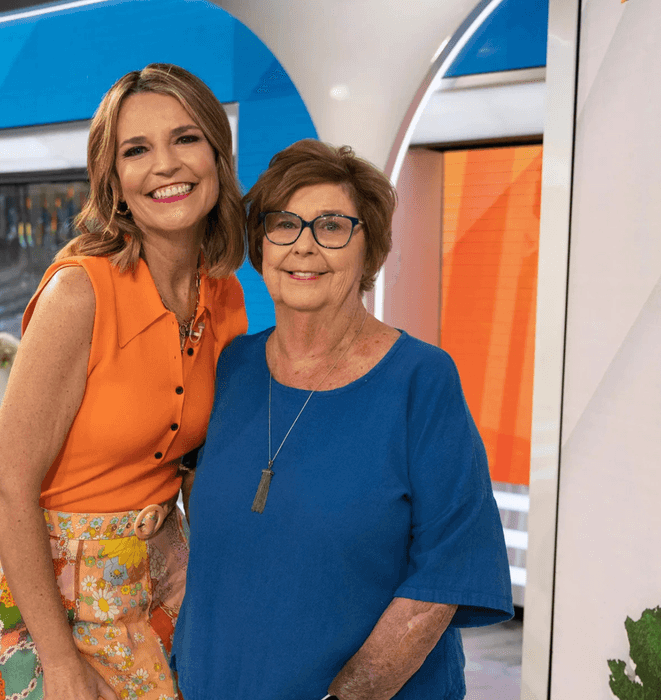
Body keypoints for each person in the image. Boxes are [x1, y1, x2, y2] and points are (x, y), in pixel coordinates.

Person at [171, 139, 513, 700]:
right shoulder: (230, 366)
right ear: (261, 245)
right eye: (284, 224)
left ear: (368, 249)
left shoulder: (421, 380)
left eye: (331, 226)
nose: (303, 246)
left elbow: (444, 575)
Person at [0, 63, 248, 700]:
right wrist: (60, 665)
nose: (166, 165)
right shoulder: (79, 292)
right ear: (113, 180)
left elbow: (198, 468)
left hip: (164, 582)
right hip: (56, 600)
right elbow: (4, 481)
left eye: (186, 138)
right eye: (136, 150)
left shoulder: (224, 295)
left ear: (217, 156)